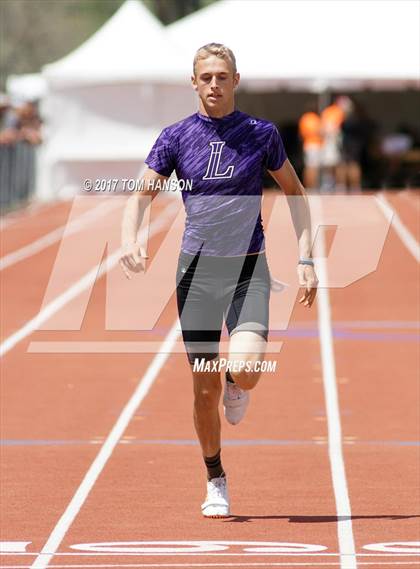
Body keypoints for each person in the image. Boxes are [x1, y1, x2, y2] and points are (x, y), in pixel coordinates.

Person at [120, 43, 318, 518]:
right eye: (205, 76)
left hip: (249, 267)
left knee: (247, 369)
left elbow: (295, 191)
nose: (214, 84)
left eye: (222, 76)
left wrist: (307, 258)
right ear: (194, 82)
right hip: (198, 274)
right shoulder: (175, 137)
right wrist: (131, 237)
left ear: (235, 80)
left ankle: (237, 382)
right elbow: (139, 196)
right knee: (202, 388)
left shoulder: (260, 134)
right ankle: (216, 478)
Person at [298, 102, 323, 190]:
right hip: (313, 145)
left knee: (309, 167)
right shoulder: (312, 118)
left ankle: (309, 186)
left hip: (309, 144)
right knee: (312, 167)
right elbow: (317, 131)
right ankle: (311, 186)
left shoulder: (305, 118)